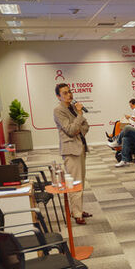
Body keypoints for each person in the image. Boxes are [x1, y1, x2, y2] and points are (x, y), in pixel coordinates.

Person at [53, 83, 90, 224]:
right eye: (65, 93)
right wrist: (79, 116)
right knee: (74, 182)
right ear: (58, 96)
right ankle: (76, 214)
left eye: (70, 92)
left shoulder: (73, 108)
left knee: (81, 181)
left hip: (80, 147)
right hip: (70, 150)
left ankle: (78, 209)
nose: (69, 95)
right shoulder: (58, 110)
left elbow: (85, 126)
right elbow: (70, 130)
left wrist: (78, 128)